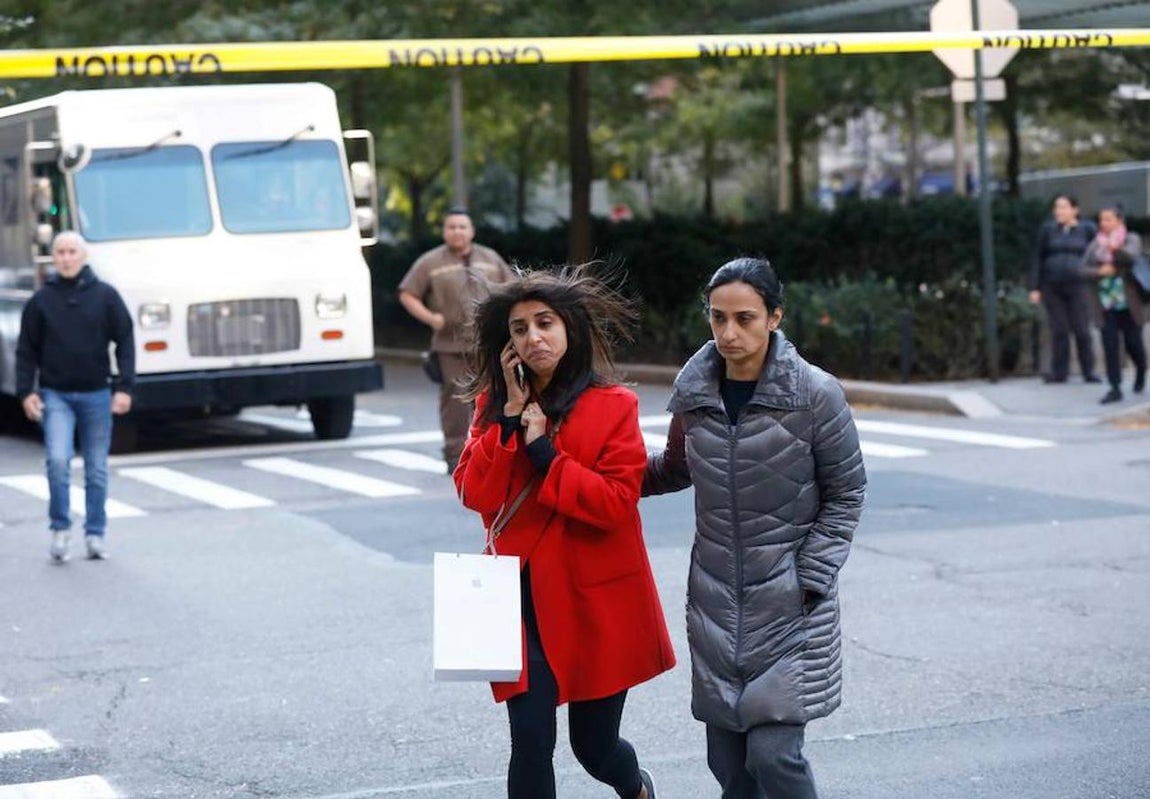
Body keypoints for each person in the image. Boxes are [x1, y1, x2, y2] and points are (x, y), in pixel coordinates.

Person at [643, 257, 866, 799]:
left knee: (774, 757)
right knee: (729, 767)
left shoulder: (815, 394)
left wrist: (808, 577)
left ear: (774, 317)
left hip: (789, 606)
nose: (728, 332)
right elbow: (674, 469)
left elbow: (847, 492)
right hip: (716, 603)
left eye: (744, 318)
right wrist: (584, 470)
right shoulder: (694, 392)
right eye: (718, 318)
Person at [454, 266, 675, 799]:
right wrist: (508, 420)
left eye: (544, 322)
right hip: (519, 596)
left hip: (593, 597)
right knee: (530, 740)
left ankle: (636, 788)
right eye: (520, 328)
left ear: (568, 328)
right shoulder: (494, 405)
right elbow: (474, 494)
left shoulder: (614, 405)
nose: (533, 337)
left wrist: (545, 454)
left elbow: (615, 503)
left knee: (594, 748)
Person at [15, 230, 135, 563]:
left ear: (83, 257)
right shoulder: (41, 301)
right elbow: (26, 350)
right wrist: (26, 392)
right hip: (57, 396)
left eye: (72, 252)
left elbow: (125, 339)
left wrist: (125, 387)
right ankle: (60, 528)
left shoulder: (106, 296)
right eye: (61, 252)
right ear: (53, 258)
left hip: (97, 393)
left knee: (96, 468)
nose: (66, 258)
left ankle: (95, 533)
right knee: (57, 461)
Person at [398, 208, 514, 471]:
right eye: (452, 227)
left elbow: (513, 288)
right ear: (444, 231)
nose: (457, 231)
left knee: (496, 395)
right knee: (456, 399)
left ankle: (493, 450)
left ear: (471, 231)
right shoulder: (431, 262)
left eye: (463, 226)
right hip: (450, 346)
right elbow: (407, 293)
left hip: (489, 343)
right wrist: (431, 318)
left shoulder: (490, 258)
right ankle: (456, 454)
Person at [1028, 194, 1101, 384]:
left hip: (1079, 285)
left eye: (1063, 207)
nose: (1058, 211)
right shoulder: (1048, 230)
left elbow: (1098, 254)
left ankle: (1089, 371)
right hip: (1052, 285)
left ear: (1074, 210)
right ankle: (1059, 372)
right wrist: (1034, 287)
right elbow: (1038, 257)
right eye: (1056, 207)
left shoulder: (1087, 229)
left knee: (1082, 329)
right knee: (1059, 330)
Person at [1079, 206, 1146, 404]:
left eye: (1108, 219)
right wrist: (1099, 272)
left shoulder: (1131, 238)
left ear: (1119, 221)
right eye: (1102, 220)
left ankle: (1141, 368)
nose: (1104, 224)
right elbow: (1081, 269)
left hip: (1129, 303)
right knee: (1110, 345)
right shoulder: (1095, 244)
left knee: (1134, 344)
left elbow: (1131, 257)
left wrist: (1113, 248)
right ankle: (1114, 387)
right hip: (1105, 304)